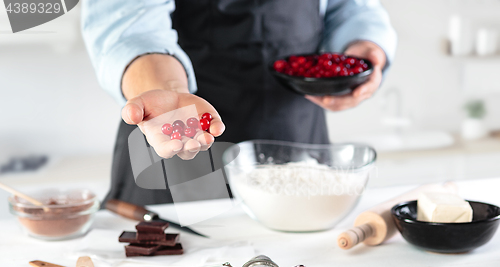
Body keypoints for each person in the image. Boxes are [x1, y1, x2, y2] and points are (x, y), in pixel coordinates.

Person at [82, 0, 397, 206]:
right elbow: (128, 26)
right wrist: (168, 89)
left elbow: (350, 7)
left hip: (297, 139)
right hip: (179, 148)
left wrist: (362, 47)